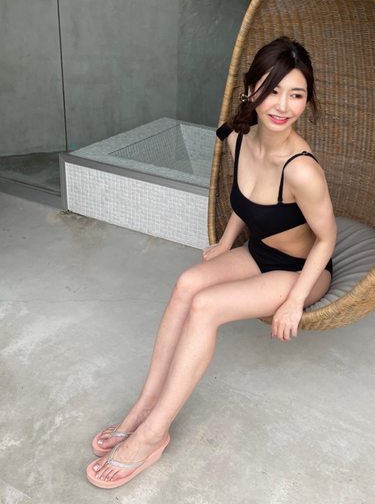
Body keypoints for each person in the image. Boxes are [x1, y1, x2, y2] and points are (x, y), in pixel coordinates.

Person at [86, 36, 337, 488]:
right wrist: (226, 242)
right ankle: (144, 405)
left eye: (296, 94)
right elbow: (247, 199)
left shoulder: (301, 169)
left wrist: (295, 300)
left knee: (207, 306)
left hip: (303, 271)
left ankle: (154, 433)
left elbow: (327, 237)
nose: (283, 106)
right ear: (251, 90)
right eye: (272, 90)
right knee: (187, 283)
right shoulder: (239, 139)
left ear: (307, 99)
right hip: (261, 252)